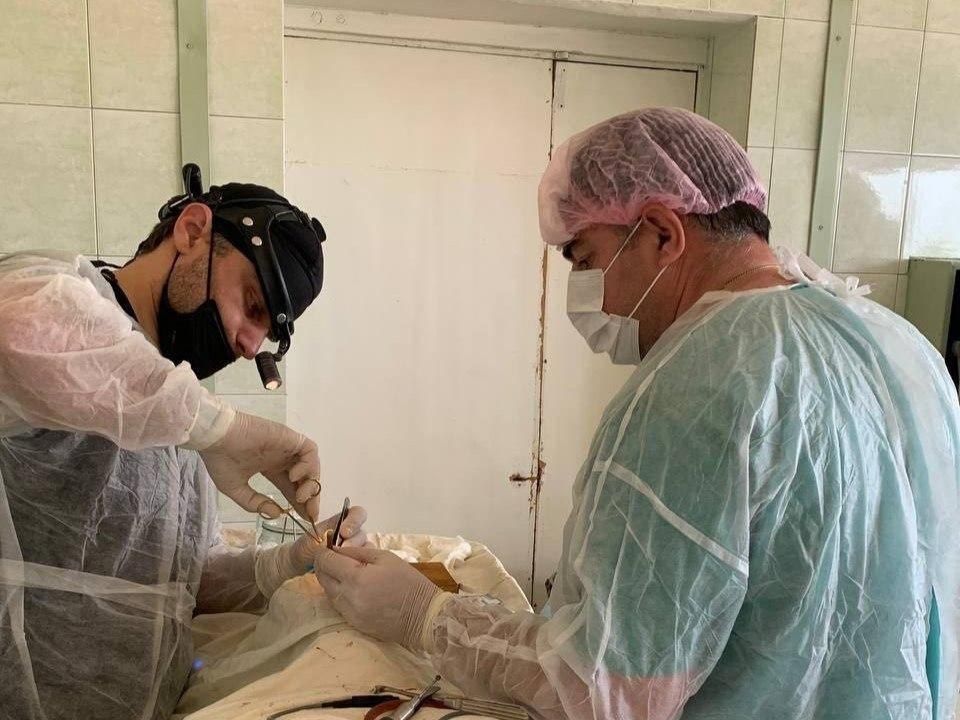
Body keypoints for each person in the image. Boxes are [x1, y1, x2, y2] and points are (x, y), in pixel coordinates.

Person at [313, 108, 960, 719]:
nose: (591, 299)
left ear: (661, 233)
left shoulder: (701, 380)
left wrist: (427, 616)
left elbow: (607, 692)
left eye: (586, 260)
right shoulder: (897, 345)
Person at [0, 166, 367, 720]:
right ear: (192, 232)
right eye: (252, 304)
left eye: (267, 333)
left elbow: (182, 580)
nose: (250, 345)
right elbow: (21, 324)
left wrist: (289, 562)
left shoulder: (178, 413)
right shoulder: (61, 297)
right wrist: (219, 428)